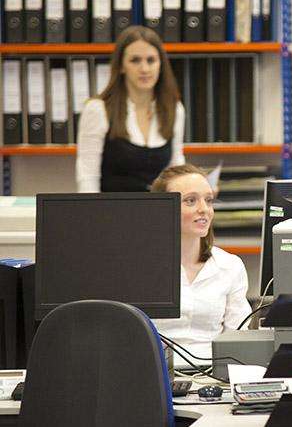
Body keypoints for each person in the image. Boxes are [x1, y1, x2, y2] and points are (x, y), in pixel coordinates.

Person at [150, 164, 252, 361]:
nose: (204, 209)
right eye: (191, 201)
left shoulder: (230, 266)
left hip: (214, 372)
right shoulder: (139, 267)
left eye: (208, 200)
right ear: (162, 208)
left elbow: (239, 337)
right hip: (156, 373)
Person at [76, 25, 185, 192]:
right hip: (112, 207)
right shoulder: (98, 110)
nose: (144, 69)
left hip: (158, 207)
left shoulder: (174, 109)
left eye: (151, 60)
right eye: (135, 60)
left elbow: (176, 170)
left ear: (161, 65)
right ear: (121, 66)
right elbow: (88, 178)